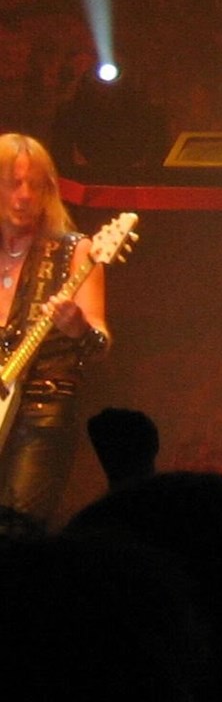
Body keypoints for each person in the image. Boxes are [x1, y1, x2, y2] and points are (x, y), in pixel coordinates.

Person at [0, 133, 110, 522]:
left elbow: (99, 342)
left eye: (35, 185)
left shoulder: (74, 251)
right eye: (13, 184)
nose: (24, 195)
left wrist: (77, 327)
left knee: (15, 531)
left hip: (41, 415)